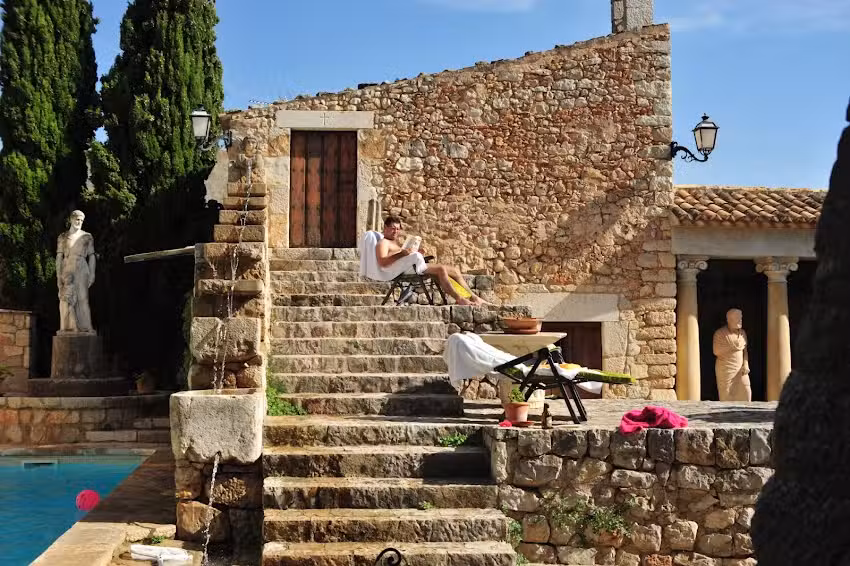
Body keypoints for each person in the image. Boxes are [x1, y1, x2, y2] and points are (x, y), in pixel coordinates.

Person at [375, 216, 487, 305]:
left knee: (455, 271)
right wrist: (401, 254)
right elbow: (382, 263)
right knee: (441, 269)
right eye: (393, 228)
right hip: (401, 271)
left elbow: (402, 257)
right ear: (385, 228)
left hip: (410, 266)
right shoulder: (383, 243)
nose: (396, 231)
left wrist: (416, 253)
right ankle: (459, 299)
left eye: (398, 229)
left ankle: (474, 297)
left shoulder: (394, 242)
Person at [57, 210, 96, 333]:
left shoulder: (87, 236)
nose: (79, 222)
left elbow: (92, 255)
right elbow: (59, 257)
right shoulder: (63, 237)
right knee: (66, 299)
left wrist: (92, 273)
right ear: (71, 219)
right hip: (67, 266)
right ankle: (67, 327)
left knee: (83, 297)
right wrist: (58, 275)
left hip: (81, 266)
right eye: (77, 219)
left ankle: (87, 326)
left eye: (81, 220)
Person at [712, 308, 752, 402]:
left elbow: (744, 351)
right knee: (727, 395)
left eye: (741, 318)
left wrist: (746, 365)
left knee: (746, 390)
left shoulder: (742, 333)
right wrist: (733, 347)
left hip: (740, 370)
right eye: (737, 318)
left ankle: (745, 413)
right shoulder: (720, 333)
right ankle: (728, 415)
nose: (740, 320)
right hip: (725, 369)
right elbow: (716, 351)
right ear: (729, 320)